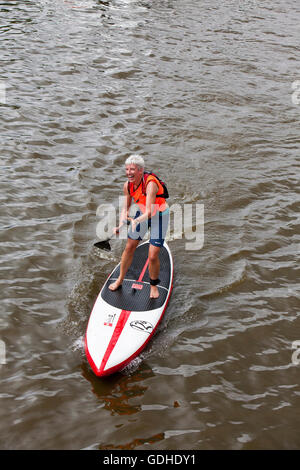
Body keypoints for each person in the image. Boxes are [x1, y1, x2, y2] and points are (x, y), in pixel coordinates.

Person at [108, 154, 169, 299]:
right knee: (129, 247)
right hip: (142, 214)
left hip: (158, 217)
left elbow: (149, 212)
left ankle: (153, 285)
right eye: (127, 169)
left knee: (153, 255)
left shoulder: (150, 184)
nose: (128, 172)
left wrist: (136, 221)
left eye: (132, 169)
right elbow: (125, 209)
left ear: (140, 170)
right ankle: (120, 279)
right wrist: (121, 224)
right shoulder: (127, 186)